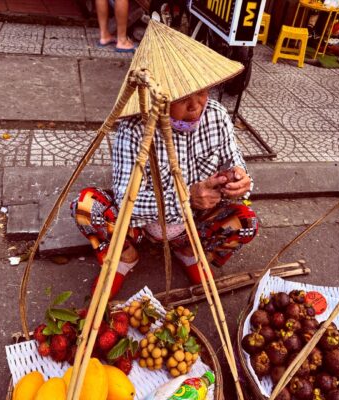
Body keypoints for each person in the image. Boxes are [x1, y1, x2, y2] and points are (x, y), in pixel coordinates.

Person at [70, 20, 258, 299]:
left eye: (202, 91)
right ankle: (126, 256)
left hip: (193, 224)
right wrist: (185, 198)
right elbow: (125, 200)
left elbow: (234, 160)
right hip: (140, 228)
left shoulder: (216, 116)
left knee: (247, 221)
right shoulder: (134, 129)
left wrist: (239, 179)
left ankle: (188, 250)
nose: (196, 105)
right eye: (183, 98)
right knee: (85, 206)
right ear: (160, 98)